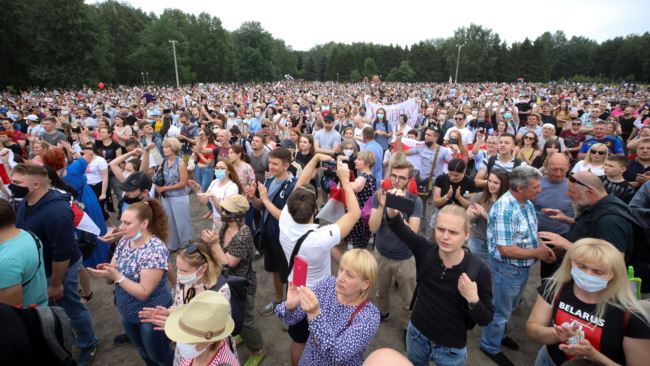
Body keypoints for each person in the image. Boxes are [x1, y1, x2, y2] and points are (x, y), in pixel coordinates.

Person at [275, 155, 360, 365]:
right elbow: (354, 214)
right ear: (315, 211)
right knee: (317, 339)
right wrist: (345, 182)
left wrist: (314, 158)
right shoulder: (319, 239)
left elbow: (300, 182)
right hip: (319, 295)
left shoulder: (285, 220)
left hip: (294, 290)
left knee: (298, 340)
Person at [12, 163, 99, 365]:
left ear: (35, 185)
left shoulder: (56, 211)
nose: (12, 185)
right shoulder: (26, 201)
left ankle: (88, 343)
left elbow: (63, 252)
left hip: (61, 269)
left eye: (17, 182)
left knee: (72, 307)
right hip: (45, 268)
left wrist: (56, 283)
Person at [386, 203, 494, 366]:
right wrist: (391, 209)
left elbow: (486, 318)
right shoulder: (426, 250)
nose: (445, 236)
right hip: (416, 335)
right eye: (440, 229)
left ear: (466, 234)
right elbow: (397, 225)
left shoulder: (479, 270)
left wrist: (473, 299)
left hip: (450, 349)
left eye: (453, 232)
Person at [526, 238, 650, 366]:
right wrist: (557, 334)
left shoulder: (631, 315)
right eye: (581, 266)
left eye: (598, 271)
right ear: (571, 262)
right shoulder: (554, 287)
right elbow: (532, 329)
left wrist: (592, 355)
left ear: (614, 274)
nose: (588, 274)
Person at [480, 166, 555, 366]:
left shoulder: (527, 203)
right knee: (500, 310)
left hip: (519, 269)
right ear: (520, 188)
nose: (540, 190)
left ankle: (500, 335)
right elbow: (506, 249)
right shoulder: (505, 208)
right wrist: (538, 253)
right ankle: (489, 345)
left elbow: (530, 233)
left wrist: (542, 246)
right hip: (507, 269)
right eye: (536, 187)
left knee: (508, 307)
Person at [87, 200, 174, 366]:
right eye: (121, 222)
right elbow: (110, 278)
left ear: (144, 223)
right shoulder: (125, 242)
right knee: (142, 351)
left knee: (160, 356)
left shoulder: (154, 250)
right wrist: (106, 273)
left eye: (127, 223)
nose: (121, 227)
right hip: (128, 312)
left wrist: (117, 276)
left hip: (151, 315)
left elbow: (144, 292)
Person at [275, 249, 380, 366]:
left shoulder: (369, 316)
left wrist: (315, 315)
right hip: (308, 361)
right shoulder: (328, 284)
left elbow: (336, 356)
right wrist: (290, 306)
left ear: (365, 284)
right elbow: (291, 319)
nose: (340, 277)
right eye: (341, 269)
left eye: (349, 275)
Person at [138, 240, 233, 366]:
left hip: (207, 348)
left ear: (203, 267)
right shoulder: (184, 280)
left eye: (184, 271)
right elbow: (179, 304)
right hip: (186, 343)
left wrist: (177, 324)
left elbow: (214, 330)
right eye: (178, 268)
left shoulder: (221, 291)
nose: (179, 274)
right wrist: (170, 312)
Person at [201, 194, 266, 366]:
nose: (222, 212)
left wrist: (213, 244)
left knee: (246, 320)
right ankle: (241, 334)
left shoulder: (243, 235)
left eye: (227, 210)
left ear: (237, 214)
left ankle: (257, 350)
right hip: (229, 282)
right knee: (234, 314)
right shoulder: (226, 226)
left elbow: (228, 262)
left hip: (242, 286)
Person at [538, 172, 636, 265]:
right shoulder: (597, 205)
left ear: (589, 193)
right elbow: (591, 226)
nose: (568, 195)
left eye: (571, 192)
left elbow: (614, 261)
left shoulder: (611, 220)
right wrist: (566, 219)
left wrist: (567, 245)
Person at [369, 159, 423, 322]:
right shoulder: (379, 195)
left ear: (409, 180)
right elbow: (373, 228)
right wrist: (381, 206)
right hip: (381, 254)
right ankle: (383, 313)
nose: (396, 181)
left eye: (401, 178)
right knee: (381, 291)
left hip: (405, 258)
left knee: (409, 298)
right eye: (393, 176)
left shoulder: (414, 201)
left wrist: (396, 213)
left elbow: (413, 234)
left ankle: (409, 325)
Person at [250, 147, 297, 317]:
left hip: (284, 238)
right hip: (269, 235)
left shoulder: (293, 187)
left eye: (275, 164)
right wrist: (253, 198)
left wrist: (263, 199)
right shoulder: (269, 181)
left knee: (289, 274)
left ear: (286, 165)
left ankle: (290, 308)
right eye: (269, 162)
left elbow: (284, 217)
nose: (270, 166)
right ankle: (278, 300)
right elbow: (262, 209)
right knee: (274, 269)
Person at [142, 138, 193, 252]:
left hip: (179, 196)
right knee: (169, 221)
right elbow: (157, 176)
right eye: (164, 147)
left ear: (173, 148)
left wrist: (165, 188)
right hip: (166, 197)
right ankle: (173, 244)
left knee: (182, 221)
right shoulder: (163, 161)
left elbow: (183, 183)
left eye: (166, 147)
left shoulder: (180, 163)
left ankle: (186, 243)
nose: (164, 149)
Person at [164, 291, 239, 366]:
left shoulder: (224, 363)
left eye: (190, 339)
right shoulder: (198, 352)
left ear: (211, 340)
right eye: (182, 334)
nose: (181, 342)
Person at [533, 153, 574, 279]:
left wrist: (567, 242)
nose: (558, 173)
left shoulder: (574, 187)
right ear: (546, 166)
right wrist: (538, 241)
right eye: (554, 169)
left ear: (568, 166)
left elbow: (578, 218)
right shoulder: (535, 185)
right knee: (545, 276)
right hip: (539, 236)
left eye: (562, 170)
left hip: (564, 239)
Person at [0, 199, 47, 307]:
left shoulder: (6, 262)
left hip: (25, 320)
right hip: (40, 308)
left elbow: (9, 311)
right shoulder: (27, 234)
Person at [468, 170, 510, 263]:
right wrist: (473, 214)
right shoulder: (479, 197)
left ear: (504, 184)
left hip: (497, 244)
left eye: (495, 182)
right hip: (478, 240)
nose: (491, 185)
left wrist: (484, 214)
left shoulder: (507, 203)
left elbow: (505, 226)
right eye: (489, 181)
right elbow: (467, 218)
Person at [189, 159, 243, 232]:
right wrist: (198, 190)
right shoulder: (214, 182)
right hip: (216, 221)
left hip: (227, 223)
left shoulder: (232, 187)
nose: (218, 170)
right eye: (217, 168)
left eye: (222, 168)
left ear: (229, 171)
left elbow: (224, 212)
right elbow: (204, 201)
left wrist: (214, 197)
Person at [192, 127, 216, 219]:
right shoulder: (199, 143)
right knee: (201, 190)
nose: (200, 136)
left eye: (202, 134)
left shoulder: (211, 147)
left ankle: (214, 210)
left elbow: (208, 162)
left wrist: (199, 153)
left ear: (208, 135)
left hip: (207, 170)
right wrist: (195, 154)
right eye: (199, 134)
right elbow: (195, 158)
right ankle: (211, 210)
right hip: (198, 168)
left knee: (206, 191)